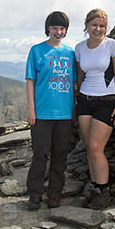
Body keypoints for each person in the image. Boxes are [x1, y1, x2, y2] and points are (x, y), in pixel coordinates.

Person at [25, 11, 76, 210]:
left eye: (62, 28)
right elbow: (30, 81)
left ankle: (55, 194)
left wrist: (74, 110)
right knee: (40, 155)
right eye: (55, 27)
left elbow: (73, 84)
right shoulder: (37, 51)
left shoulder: (70, 53)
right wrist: (31, 109)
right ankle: (35, 195)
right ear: (48, 28)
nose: (58, 31)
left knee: (60, 156)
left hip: (64, 114)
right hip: (42, 114)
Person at [75, 8, 115, 210]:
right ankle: (95, 187)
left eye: (102, 26)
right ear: (87, 26)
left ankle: (104, 191)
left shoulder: (113, 45)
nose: (98, 29)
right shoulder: (79, 48)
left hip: (107, 100)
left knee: (96, 147)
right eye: (94, 25)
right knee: (89, 146)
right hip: (85, 99)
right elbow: (79, 77)